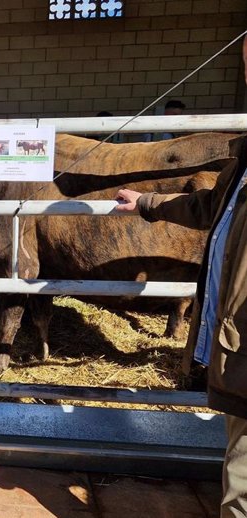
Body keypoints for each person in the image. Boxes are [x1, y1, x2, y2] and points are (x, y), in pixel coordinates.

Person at [114, 35, 247, 518]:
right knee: (238, 456)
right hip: (233, 341)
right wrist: (147, 202)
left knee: (242, 475)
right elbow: (209, 206)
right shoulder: (241, 163)